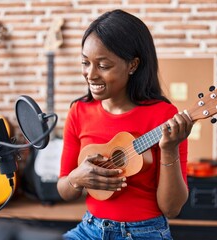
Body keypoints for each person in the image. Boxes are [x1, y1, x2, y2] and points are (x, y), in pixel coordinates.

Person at [57, 9, 193, 240]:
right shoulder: (78, 111)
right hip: (89, 229)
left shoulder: (164, 115)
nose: (90, 74)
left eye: (103, 65)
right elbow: (64, 190)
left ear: (133, 65)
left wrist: (168, 149)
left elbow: (172, 209)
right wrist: (77, 178)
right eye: (85, 62)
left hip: (145, 233)